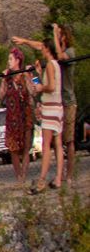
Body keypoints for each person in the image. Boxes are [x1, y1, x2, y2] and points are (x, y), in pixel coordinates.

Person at [15, 29, 65, 193]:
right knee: (57, 144)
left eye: (43, 48)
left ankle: (41, 181)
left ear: (47, 49)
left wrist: (40, 87)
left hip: (50, 109)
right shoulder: (56, 65)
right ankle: (58, 178)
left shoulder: (51, 64)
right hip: (58, 107)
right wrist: (39, 74)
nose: (41, 50)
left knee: (46, 145)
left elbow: (50, 86)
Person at [0, 47, 36, 183]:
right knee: (13, 149)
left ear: (17, 60)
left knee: (26, 148)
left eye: (10, 59)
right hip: (12, 118)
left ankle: (24, 176)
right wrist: (3, 80)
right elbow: (1, 95)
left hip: (24, 116)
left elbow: (33, 91)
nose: (8, 62)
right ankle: (19, 177)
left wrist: (28, 76)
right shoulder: (8, 78)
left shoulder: (25, 74)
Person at [56, 25, 78, 181]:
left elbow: (61, 55)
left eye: (59, 35)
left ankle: (69, 175)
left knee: (69, 140)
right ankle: (61, 173)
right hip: (59, 102)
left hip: (69, 101)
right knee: (58, 139)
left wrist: (56, 35)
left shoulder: (70, 52)